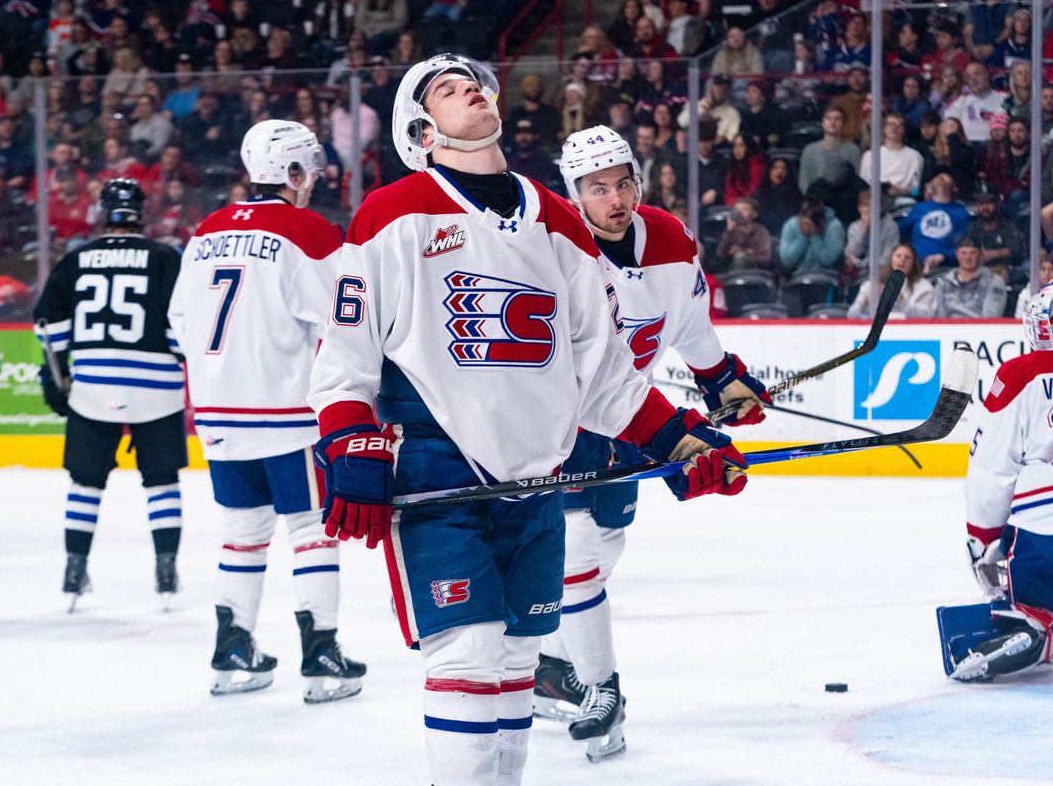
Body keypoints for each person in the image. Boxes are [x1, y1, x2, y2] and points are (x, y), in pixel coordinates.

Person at [307, 53, 749, 785]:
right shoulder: (394, 210)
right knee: (468, 652)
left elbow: (603, 374)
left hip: (539, 474)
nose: (473, 92)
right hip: (436, 465)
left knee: (516, 658)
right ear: (421, 130)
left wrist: (680, 437)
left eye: (475, 82)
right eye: (449, 90)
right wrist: (346, 437)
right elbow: (345, 349)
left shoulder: (555, 219)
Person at [536, 125, 769, 759]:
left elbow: (691, 321)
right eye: (596, 188)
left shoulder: (668, 237)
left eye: (622, 183)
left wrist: (720, 377)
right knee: (578, 555)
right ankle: (600, 689)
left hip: (634, 418)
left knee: (600, 553)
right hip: (567, 425)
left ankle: (549, 664)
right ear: (574, 194)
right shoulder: (553, 248)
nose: (614, 198)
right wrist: (678, 431)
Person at [167, 120, 365, 703]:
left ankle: (233, 649)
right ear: (293, 173)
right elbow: (345, 319)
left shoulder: (204, 230)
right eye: (309, 174)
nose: (312, 186)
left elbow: (179, 321)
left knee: (243, 531)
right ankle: (322, 654)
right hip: (288, 411)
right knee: (311, 530)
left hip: (218, 412)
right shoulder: (308, 230)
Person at [31, 179, 187, 609]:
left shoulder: (76, 259)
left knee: (85, 483)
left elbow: (47, 326)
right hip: (156, 389)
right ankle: (166, 569)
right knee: (161, 482)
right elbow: (183, 324)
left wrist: (57, 374)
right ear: (141, 212)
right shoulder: (164, 258)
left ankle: (74, 568)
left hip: (93, 388)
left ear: (103, 213)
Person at [949, 285, 1053, 681]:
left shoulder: (1020, 374)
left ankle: (1033, 626)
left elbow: (992, 471)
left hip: (1043, 537)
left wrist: (981, 538)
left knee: (1034, 599)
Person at [899, 173, 971, 271]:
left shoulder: (961, 213)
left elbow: (965, 246)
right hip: (915, 266)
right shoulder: (920, 208)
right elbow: (898, 230)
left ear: (954, 188)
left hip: (944, 268)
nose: (941, 178)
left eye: (945, 177)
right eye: (937, 177)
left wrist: (943, 257)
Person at [847, 243, 935, 319]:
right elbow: (851, 316)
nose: (902, 260)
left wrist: (901, 300)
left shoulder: (924, 286)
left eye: (907, 257)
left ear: (913, 263)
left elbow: (928, 316)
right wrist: (864, 302)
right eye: (898, 256)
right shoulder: (871, 285)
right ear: (891, 259)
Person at [933, 237, 1008, 318]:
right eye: (963, 253)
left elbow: (991, 317)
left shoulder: (994, 281)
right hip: (946, 329)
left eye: (972, 253)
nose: (967, 258)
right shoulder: (943, 282)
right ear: (957, 254)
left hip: (980, 329)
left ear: (980, 254)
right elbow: (939, 315)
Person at [859, 112, 923, 199]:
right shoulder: (869, 156)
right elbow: (863, 186)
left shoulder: (915, 156)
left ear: (904, 130)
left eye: (899, 125)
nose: (894, 128)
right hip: (874, 202)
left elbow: (916, 191)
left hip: (903, 203)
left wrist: (899, 191)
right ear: (884, 129)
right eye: (890, 124)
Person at [798, 106, 861, 193]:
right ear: (822, 122)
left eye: (837, 119)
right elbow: (804, 183)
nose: (832, 122)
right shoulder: (809, 150)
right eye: (828, 118)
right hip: (816, 201)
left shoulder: (853, 150)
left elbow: (855, 182)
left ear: (843, 123)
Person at [779, 196, 844, 274]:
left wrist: (815, 236)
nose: (807, 227)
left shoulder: (834, 226)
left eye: (810, 225)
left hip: (827, 275)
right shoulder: (790, 225)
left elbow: (827, 261)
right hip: (796, 275)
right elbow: (787, 262)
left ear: (821, 221)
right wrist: (802, 237)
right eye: (805, 224)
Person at [717, 196, 773, 271]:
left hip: (755, 271)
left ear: (754, 214)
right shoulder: (731, 231)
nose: (739, 213)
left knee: (740, 256)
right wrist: (728, 231)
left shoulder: (761, 231)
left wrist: (745, 253)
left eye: (744, 209)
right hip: (731, 272)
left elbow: (766, 258)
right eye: (737, 210)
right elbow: (720, 254)